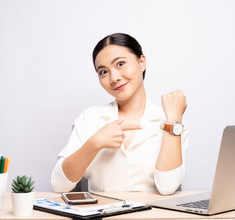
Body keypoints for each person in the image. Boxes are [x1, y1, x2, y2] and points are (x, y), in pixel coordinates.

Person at [51, 33, 188, 195]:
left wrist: (173, 120)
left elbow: (167, 187)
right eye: (103, 72)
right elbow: (59, 184)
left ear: (141, 62)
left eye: (120, 64)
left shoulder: (170, 119)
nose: (113, 77)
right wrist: (95, 143)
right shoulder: (90, 117)